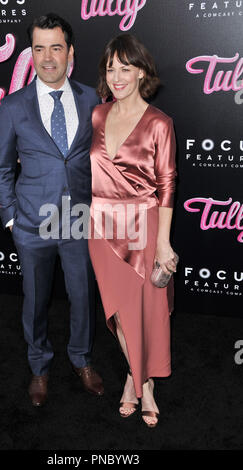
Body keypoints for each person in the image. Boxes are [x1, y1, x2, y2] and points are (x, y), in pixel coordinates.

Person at [0, 13, 104, 407]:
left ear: (70, 52)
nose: (47, 57)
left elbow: (103, 160)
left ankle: (81, 359)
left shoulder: (92, 98)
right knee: (35, 299)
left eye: (55, 47)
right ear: (31, 53)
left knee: (81, 296)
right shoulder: (12, 106)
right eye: (38, 48)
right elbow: (2, 167)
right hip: (31, 223)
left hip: (77, 219)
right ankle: (39, 366)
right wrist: (10, 217)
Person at [88, 34, 177, 427]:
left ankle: (136, 382)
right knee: (121, 316)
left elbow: (167, 185)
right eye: (111, 68)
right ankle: (143, 382)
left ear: (142, 72)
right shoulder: (97, 115)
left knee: (144, 312)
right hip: (100, 226)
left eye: (126, 68)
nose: (117, 76)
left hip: (143, 223)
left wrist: (163, 243)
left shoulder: (160, 123)